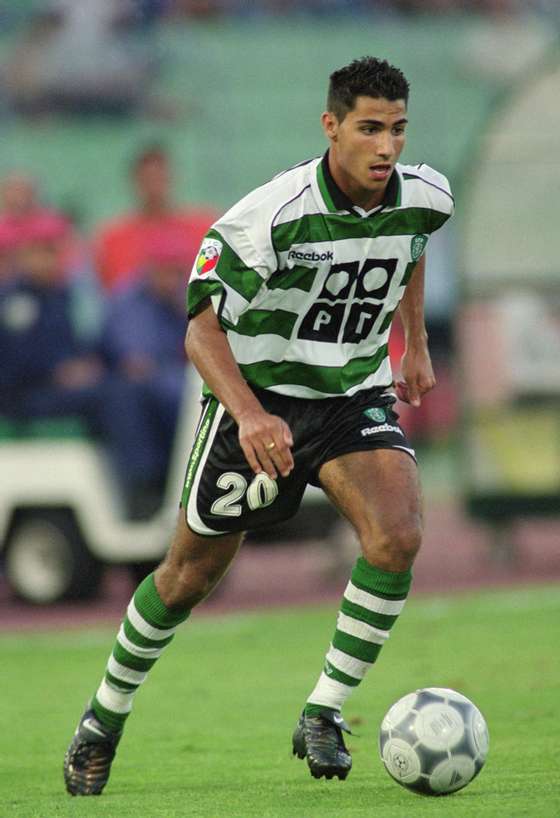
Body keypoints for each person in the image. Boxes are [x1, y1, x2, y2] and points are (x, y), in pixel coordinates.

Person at [63, 56, 454, 795]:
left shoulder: (425, 195)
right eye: (370, 129)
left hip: (350, 392)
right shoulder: (264, 218)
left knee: (398, 532)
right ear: (331, 126)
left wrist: (418, 342)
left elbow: (410, 248)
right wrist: (247, 415)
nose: (387, 148)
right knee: (186, 578)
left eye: (398, 130)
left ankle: (324, 711)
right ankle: (102, 718)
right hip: (262, 397)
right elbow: (201, 332)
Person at [100, 229, 192, 518]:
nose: (174, 280)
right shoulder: (131, 301)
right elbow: (137, 363)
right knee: (164, 395)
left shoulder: (178, 301)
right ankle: (147, 489)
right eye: (168, 272)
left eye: (179, 273)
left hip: (166, 381)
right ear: (151, 269)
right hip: (134, 389)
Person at [94, 144, 216, 291]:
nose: (154, 187)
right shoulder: (114, 239)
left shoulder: (202, 229)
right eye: (147, 179)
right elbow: (111, 292)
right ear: (135, 181)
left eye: (159, 178)